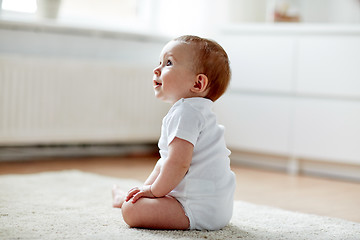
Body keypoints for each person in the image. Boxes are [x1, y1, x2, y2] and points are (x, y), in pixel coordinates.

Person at [112, 35, 235, 231]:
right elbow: (171, 163)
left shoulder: (186, 112)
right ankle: (136, 195)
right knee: (163, 163)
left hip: (196, 208)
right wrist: (150, 191)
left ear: (197, 84)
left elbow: (179, 164)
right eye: (159, 62)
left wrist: (154, 191)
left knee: (131, 211)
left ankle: (133, 199)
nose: (157, 69)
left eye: (168, 63)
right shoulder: (196, 111)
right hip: (215, 207)